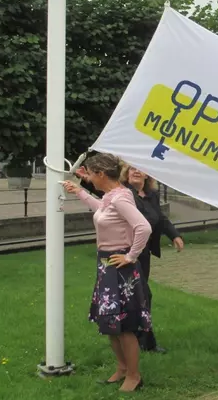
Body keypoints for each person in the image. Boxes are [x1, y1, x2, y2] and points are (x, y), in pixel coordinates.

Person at [61, 153, 152, 393]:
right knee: (110, 322)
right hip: (107, 266)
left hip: (119, 267)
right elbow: (102, 209)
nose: (88, 178)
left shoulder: (121, 198)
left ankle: (134, 375)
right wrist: (79, 191)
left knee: (124, 326)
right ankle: (122, 369)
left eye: (90, 174)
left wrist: (131, 256)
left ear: (101, 174)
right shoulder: (112, 196)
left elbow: (143, 227)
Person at [76, 160, 185, 353]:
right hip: (127, 251)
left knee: (141, 296)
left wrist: (174, 235)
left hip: (142, 252)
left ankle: (140, 339)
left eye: (140, 169)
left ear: (147, 175)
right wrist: (85, 180)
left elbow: (160, 218)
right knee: (140, 296)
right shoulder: (124, 193)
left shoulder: (151, 195)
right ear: (126, 173)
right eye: (133, 168)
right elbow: (104, 195)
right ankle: (142, 340)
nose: (136, 171)